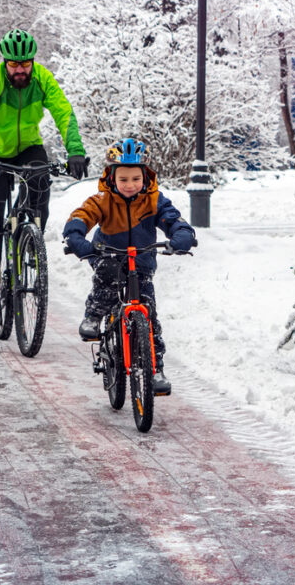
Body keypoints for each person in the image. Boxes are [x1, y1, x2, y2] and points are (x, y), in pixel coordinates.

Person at [0, 28, 88, 323]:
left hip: (27, 148)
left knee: (40, 184)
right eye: (14, 65)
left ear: (32, 61)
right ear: (6, 62)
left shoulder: (42, 79)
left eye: (25, 64)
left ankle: (30, 241)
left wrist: (76, 151)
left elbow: (63, 112)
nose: (20, 70)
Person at [62, 137, 195, 395]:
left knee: (149, 315)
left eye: (136, 179)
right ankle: (94, 315)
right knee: (106, 283)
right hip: (108, 254)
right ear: (112, 178)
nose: (130, 185)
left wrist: (181, 236)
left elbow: (174, 220)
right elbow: (82, 215)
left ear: (146, 176)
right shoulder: (102, 199)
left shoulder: (154, 200)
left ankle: (155, 369)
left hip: (142, 261)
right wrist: (76, 236)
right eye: (123, 179)